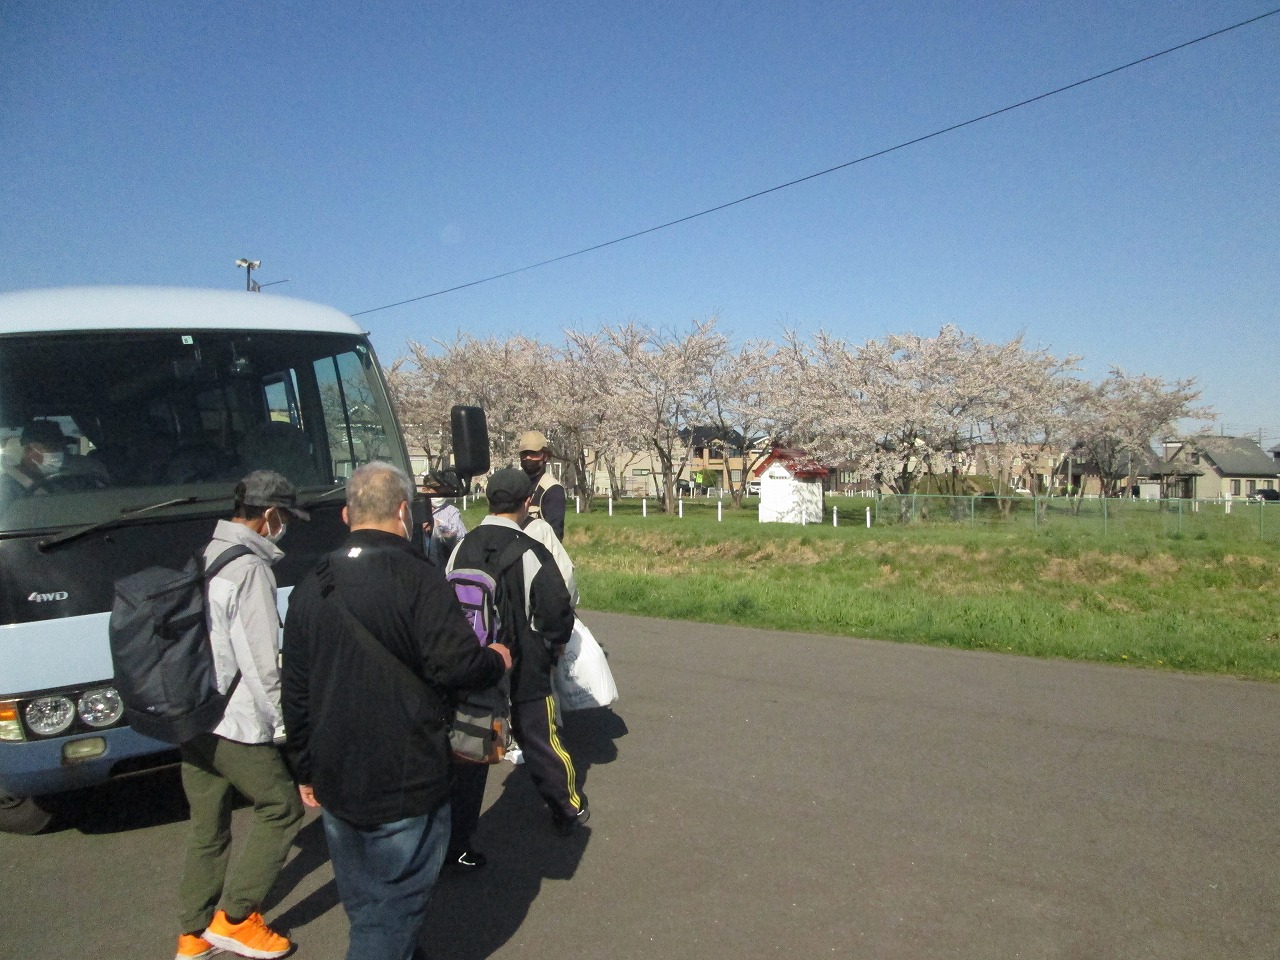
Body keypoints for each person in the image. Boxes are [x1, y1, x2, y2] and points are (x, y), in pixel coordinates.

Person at [282, 462, 511, 960]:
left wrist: (304, 766)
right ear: (405, 511)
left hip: (335, 769)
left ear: (346, 514)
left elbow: (295, 692)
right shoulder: (420, 578)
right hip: (405, 770)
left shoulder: (309, 584)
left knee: (367, 900)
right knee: (394, 909)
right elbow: (455, 666)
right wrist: (494, 659)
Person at [175, 470, 307, 960]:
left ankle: (193, 932)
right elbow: (258, 660)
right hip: (235, 719)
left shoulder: (208, 553)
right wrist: (284, 728)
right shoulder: (250, 568)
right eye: (286, 516)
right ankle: (236, 918)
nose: (287, 525)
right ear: (269, 514)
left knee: (207, 824)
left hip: (194, 712)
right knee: (281, 806)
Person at [448, 467, 587, 859]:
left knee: (470, 748)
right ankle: (566, 807)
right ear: (528, 503)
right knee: (541, 740)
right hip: (525, 661)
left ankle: (459, 842)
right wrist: (555, 644)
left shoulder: (463, 546)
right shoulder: (530, 548)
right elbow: (555, 608)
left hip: (475, 662)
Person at [1, 419, 108, 498]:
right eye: (51, 447)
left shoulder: (84, 469)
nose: (60, 451)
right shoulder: (8, 483)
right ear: (28, 450)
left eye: (61, 447)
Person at [517, 430, 566, 541]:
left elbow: (555, 536)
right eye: (525, 453)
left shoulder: (552, 489)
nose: (528, 458)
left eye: (533, 453)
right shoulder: (515, 485)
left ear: (545, 456)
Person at [421, 496, 467, 567]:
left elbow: (462, 534)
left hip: (443, 563)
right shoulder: (418, 509)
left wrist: (440, 524)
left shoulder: (451, 511)